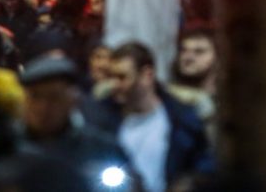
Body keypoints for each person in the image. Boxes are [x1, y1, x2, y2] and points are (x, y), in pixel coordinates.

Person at [89, 42, 214, 192]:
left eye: (122, 77)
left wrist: (189, 182)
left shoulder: (181, 118)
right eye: (112, 77)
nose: (115, 84)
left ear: (146, 75)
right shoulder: (101, 117)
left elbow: (203, 163)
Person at [19, 55, 138, 190]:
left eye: (54, 97)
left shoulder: (102, 150)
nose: (43, 107)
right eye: (35, 96)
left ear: (73, 99)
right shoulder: (7, 148)